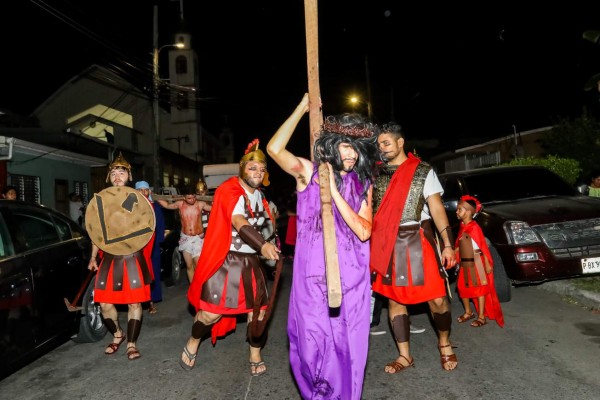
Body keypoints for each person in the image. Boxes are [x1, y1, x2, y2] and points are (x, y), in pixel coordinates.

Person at [267, 94, 378, 400]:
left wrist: (334, 194)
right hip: (312, 279)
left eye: (356, 148)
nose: (352, 154)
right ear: (332, 145)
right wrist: (301, 109)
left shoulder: (364, 184)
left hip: (352, 279)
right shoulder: (308, 173)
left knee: (348, 350)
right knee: (310, 347)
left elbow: (364, 231)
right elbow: (274, 149)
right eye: (345, 146)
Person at [180, 139, 280, 376]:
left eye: (261, 168)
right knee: (210, 313)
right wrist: (262, 244)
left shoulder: (261, 197)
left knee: (259, 313)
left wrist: (271, 244)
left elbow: (267, 225)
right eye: (252, 167)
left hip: (252, 263)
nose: (257, 172)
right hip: (227, 262)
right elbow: (238, 221)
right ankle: (193, 341)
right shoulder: (230, 190)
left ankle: (255, 353)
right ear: (242, 168)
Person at [370, 122, 459, 373]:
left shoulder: (422, 171)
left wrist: (448, 245)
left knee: (438, 299)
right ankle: (404, 355)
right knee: (396, 301)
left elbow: (437, 209)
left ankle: (444, 344)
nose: (382, 148)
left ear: (400, 143)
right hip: (387, 243)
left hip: (417, 240)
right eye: (379, 145)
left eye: (386, 143)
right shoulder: (375, 174)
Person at [87, 152, 154, 360]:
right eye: (114, 172)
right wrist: (92, 257)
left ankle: (132, 343)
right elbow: (96, 232)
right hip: (108, 258)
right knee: (105, 303)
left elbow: (147, 228)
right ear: (109, 176)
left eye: (121, 172)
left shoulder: (137, 199)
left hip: (132, 256)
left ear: (129, 176)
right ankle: (118, 334)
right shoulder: (101, 200)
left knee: (134, 303)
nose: (117, 176)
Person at [369, 156, 426, 337]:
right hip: (376, 234)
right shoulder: (374, 176)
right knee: (375, 281)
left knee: (401, 281)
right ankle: (371, 322)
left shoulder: (404, 178)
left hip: (400, 234)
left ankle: (404, 320)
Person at [455, 195, 504, 328]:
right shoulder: (462, 226)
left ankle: (481, 317)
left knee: (479, 289)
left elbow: (482, 246)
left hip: (477, 261)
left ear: (469, 211)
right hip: (465, 261)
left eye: (460, 209)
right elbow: (459, 244)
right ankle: (468, 312)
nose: (457, 212)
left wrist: (487, 263)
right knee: (462, 287)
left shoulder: (474, 227)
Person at [157, 185, 212, 284]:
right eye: (189, 198)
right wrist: (156, 198)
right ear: (184, 197)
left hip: (198, 238)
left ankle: (200, 287)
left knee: (198, 266)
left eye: (194, 197)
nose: (192, 200)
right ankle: (193, 289)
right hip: (185, 238)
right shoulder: (179, 204)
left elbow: (214, 208)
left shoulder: (200, 204)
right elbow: (166, 205)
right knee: (189, 265)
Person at [135, 181, 165, 315]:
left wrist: (156, 244)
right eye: (139, 190)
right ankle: (137, 302)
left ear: (149, 192)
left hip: (152, 247)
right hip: (136, 247)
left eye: (145, 190)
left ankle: (151, 302)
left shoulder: (155, 207)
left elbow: (160, 227)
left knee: (152, 274)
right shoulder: (131, 208)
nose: (143, 193)